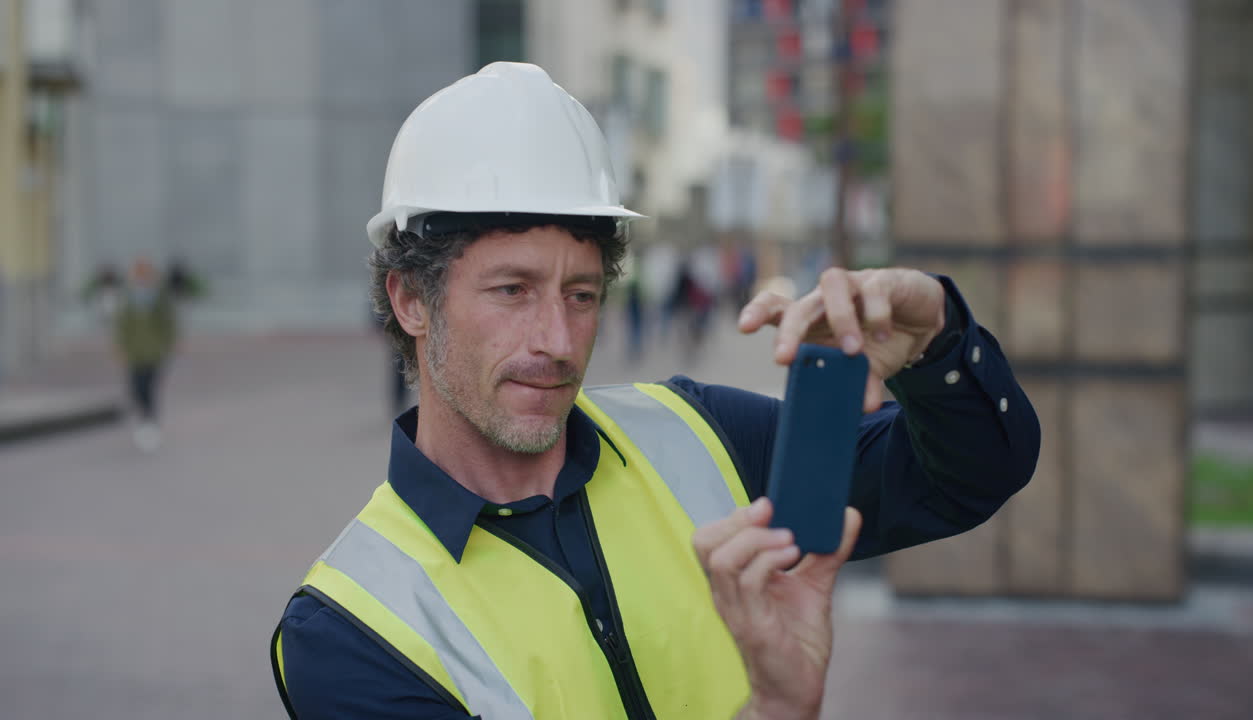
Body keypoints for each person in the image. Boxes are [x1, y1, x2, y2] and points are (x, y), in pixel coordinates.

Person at [270, 62, 1040, 720]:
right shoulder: (350, 631)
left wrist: (936, 340)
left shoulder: (696, 432)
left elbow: (967, 476)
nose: (559, 341)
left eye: (581, 294)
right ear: (411, 301)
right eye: (512, 290)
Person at [113, 256, 177, 452]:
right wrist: (120, 347)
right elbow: (121, 324)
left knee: (150, 387)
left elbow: (168, 321)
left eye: (145, 271)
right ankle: (144, 420)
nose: (142, 275)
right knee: (136, 388)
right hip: (134, 352)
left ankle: (150, 423)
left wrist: (169, 343)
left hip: (154, 351)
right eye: (139, 271)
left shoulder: (159, 295)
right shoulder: (128, 296)